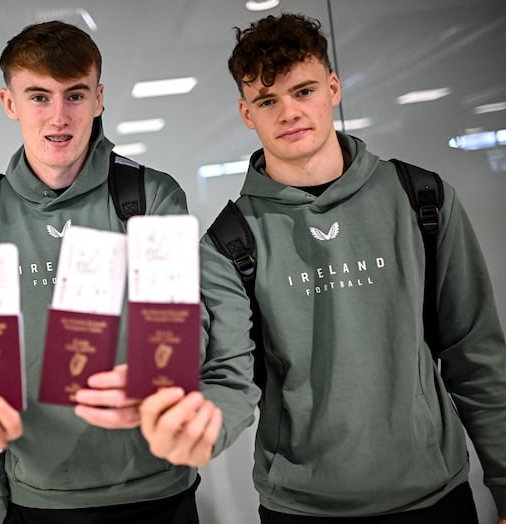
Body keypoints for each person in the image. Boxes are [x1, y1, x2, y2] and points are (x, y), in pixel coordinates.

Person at [0, 19, 258, 524]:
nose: (58, 117)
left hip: (158, 492)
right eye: (39, 97)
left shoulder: (148, 198)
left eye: (75, 95)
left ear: (100, 98)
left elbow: (183, 327)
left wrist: (153, 381)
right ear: (9, 103)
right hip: (38, 498)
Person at [195, 12, 506, 524]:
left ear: (333, 88)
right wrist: (199, 422)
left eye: (304, 91)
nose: (288, 112)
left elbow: (476, 354)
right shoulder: (230, 242)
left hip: (434, 496)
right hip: (303, 508)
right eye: (268, 100)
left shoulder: (421, 198)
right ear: (246, 113)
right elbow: (231, 377)